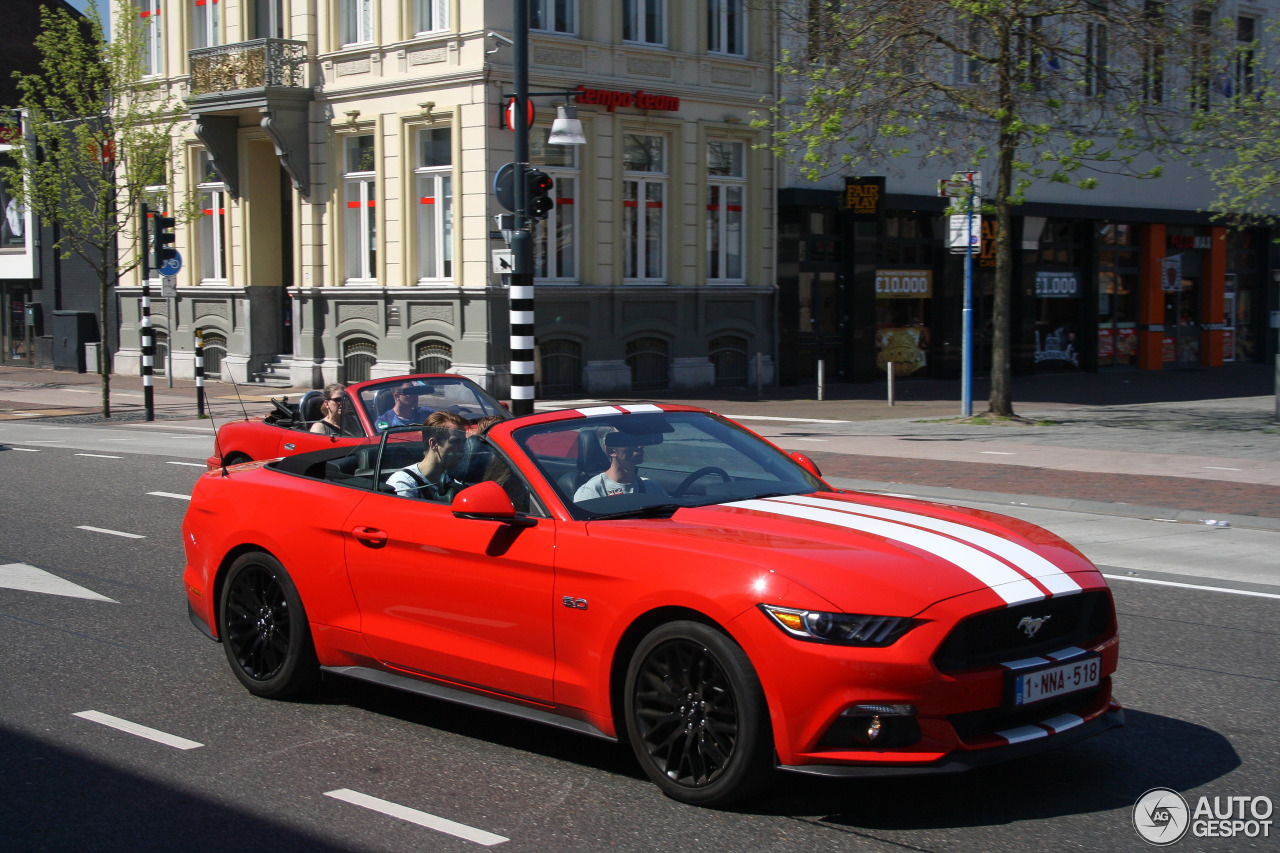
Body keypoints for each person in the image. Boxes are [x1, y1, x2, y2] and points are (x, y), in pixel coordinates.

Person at [385, 411, 468, 501]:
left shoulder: (452, 480)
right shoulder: (404, 484)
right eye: (455, 442)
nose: (462, 447)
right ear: (433, 444)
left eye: (463, 442)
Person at [574, 428, 669, 501]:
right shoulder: (592, 492)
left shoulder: (652, 487)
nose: (640, 446)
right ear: (612, 451)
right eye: (630, 440)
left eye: (639, 439)